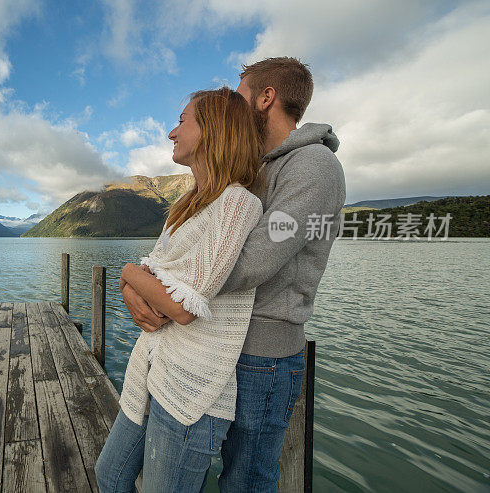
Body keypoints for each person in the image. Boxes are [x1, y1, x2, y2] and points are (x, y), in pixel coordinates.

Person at [123, 57, 347, 492]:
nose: (228, 103)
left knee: (245, 482)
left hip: (262, 357)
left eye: (239, 95)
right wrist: (138, 283)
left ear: (267, 98)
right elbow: (191, 253)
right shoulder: (253, 168)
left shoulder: (314, 166)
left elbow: (247, 264)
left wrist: (147, 283)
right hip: (214, 345)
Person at [94, 86, 265, 492]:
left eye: (183, 121)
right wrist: (137, 282)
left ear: (214, 130)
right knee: (109, 474)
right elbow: (154, 275)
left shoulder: (238, 204)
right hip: (154, 368)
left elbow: (184, 305)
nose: (172, 132)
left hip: (194, 394)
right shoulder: (185, 206)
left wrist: (128, 272)